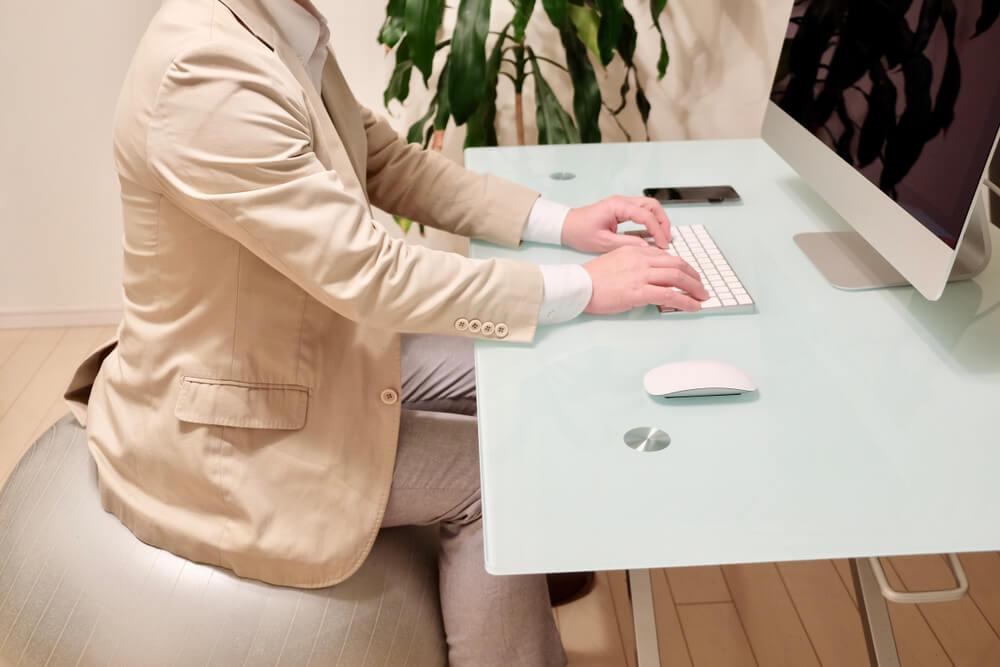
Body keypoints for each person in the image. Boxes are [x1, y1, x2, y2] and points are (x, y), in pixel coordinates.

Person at [62, 0, 708, 664]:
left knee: (531, 364)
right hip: (227, 424)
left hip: (311, 347)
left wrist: (561, 222)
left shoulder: (278, 26)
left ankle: (522, 585)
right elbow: (371, 273)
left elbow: (387, 164)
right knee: (496, 475)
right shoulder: (206, 74)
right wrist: (585, 286)